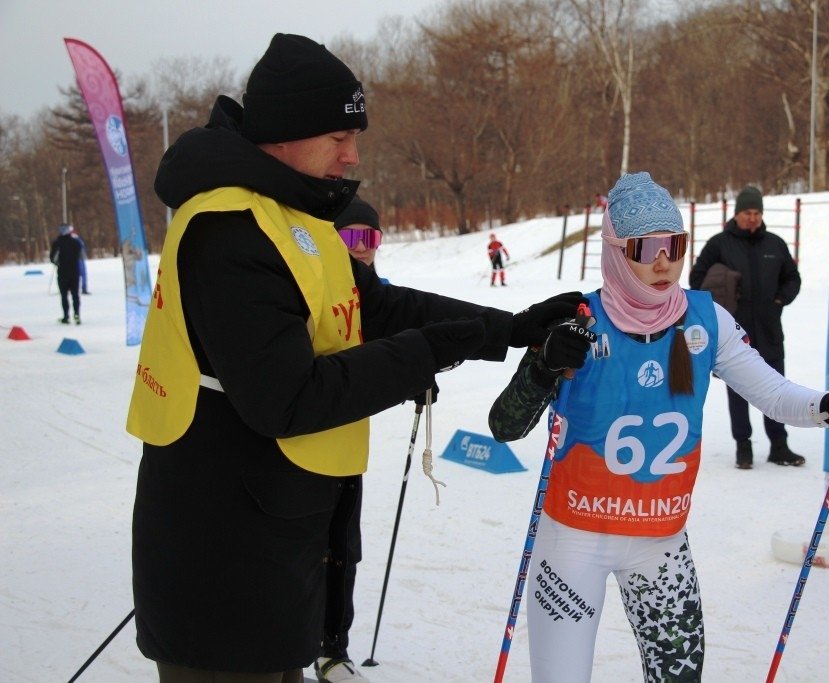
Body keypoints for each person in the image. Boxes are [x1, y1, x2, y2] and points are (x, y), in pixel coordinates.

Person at [126, 33, 584, 683]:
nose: (353, 154)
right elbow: (287, 398)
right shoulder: (229, 228)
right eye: (338, 137)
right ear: (283, 134)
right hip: (221, 552)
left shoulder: (293, 214)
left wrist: (508, 329)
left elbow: (374, 305)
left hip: (276, 536)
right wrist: (427, 352)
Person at [488, 172, 829, 683]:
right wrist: (542, 367)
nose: (663, 263)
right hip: (574, 537)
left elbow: (775, 394)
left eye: (674, 245)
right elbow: (505, 426)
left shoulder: (705, 319)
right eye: (645, 248)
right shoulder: (576, 319)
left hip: (660, 541)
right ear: (615, 251)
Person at [688, 185, 804, 469]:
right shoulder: (719, 244)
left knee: (776, 388)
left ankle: (779, 446)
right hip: (734, 334)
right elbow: (696, 279)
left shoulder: (775, 244)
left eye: (757, 213)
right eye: (747, 212)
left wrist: (779, 300)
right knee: (738, 391)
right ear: (736, 213)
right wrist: (720, 297)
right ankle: (744, 447)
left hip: (769, 329)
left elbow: (792, 278)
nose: (752, 218)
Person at [317, 196, 383, 683]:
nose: (361, 247)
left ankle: (332, 650)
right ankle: (289, 646)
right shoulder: (314, 285)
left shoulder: (380, 296)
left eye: (370, 237)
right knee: (304, 550)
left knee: (344, 549)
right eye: (351, 236)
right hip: (299, 441)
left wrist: (418, 371)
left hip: (347, 444)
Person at [49, 223, 82, 324]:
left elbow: (53, 258)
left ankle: (66, 316)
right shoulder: (75, 242)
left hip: (63, 272)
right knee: (75, 295)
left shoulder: (57, 243)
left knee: (64, 295)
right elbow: (80, 255)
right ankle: (76, 315)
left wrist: (59, 263)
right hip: (74, 272)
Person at [70, 226, 90, 294]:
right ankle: (81, 288)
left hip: (78, 259)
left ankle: (82, 288)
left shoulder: (77, 239)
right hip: (76, 259)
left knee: (80, 274)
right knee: (78, 274)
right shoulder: (77, 239)